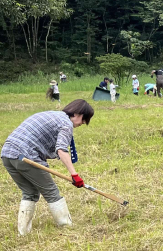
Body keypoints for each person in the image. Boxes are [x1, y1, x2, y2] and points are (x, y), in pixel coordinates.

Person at [1, 99, 94, 235]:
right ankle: (67, 228)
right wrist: (74, 174)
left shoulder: (53, 115)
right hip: (26, 156)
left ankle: (23, 233)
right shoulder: (66, 124)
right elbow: (61, 149)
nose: (83, 123)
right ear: (77, 114)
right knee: (51, 192)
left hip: (7, 155)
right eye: (84, 119)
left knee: (30, 192)